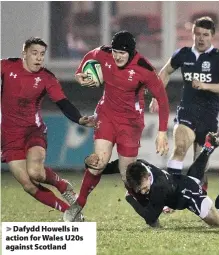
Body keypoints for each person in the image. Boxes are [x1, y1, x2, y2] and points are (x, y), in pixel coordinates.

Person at [63, 30, 170, 221]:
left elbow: (162, 99)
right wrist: (79, 72)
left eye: (122, 53)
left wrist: (162, 132)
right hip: (106, 114)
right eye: (115, 52)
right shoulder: (104, 54)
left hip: (131, 123)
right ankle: (79, 203)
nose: (117, 56)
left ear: (131, 52)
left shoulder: (144, 68)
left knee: (127, 175)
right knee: (98, 164)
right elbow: (91, 54)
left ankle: (150, 207)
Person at [1, 37, 93, 221]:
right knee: (28, 185)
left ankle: (62, 186)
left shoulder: (46, 78)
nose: (38, 58)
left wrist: (79, 118)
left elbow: (62, 102)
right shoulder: (7, 67)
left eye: (42, 54)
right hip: (9, 137)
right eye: (34, 53)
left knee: (35, 172)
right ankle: (70, 212)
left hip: (33, 131)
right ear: (24, 54)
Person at [149, 16, 219, 191]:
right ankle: (171, 192)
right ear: (192, 34)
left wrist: (205, 85)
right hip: (187, 110)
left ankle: (198, 189)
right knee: (180, 147)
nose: (201, 38)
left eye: (205, 34)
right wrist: (156, 96)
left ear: (212, 36)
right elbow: (165, 72)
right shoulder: (183, 54)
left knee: (199, 161)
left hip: (209, 114)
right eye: (197, 34)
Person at [125, 131, 219, 227]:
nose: (142, 192)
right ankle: (208, 147)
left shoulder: (159, 187)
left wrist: (130, 198)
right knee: (192, 178)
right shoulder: (142, 165)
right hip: (182, 182)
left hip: (190, 194)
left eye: (143, 188)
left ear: (146, 176)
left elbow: (150, 218)